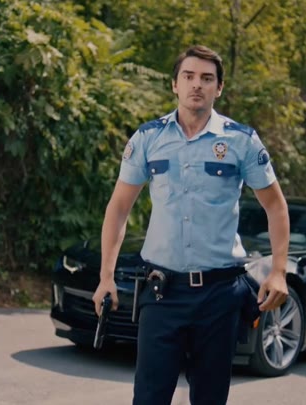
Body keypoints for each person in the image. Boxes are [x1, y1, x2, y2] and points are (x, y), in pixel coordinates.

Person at [92, 44, 290, 405]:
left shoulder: (241, 141)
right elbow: (118, 208)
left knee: (210, 399)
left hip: (219, 295)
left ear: (219, 87)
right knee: (148, 398)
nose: (197, 84)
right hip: (162, 294)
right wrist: (106, 276)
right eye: (188, 76)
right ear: (175, 84)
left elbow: (275, 205)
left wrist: (278, 271)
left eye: (207, 78)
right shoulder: (148, 138)